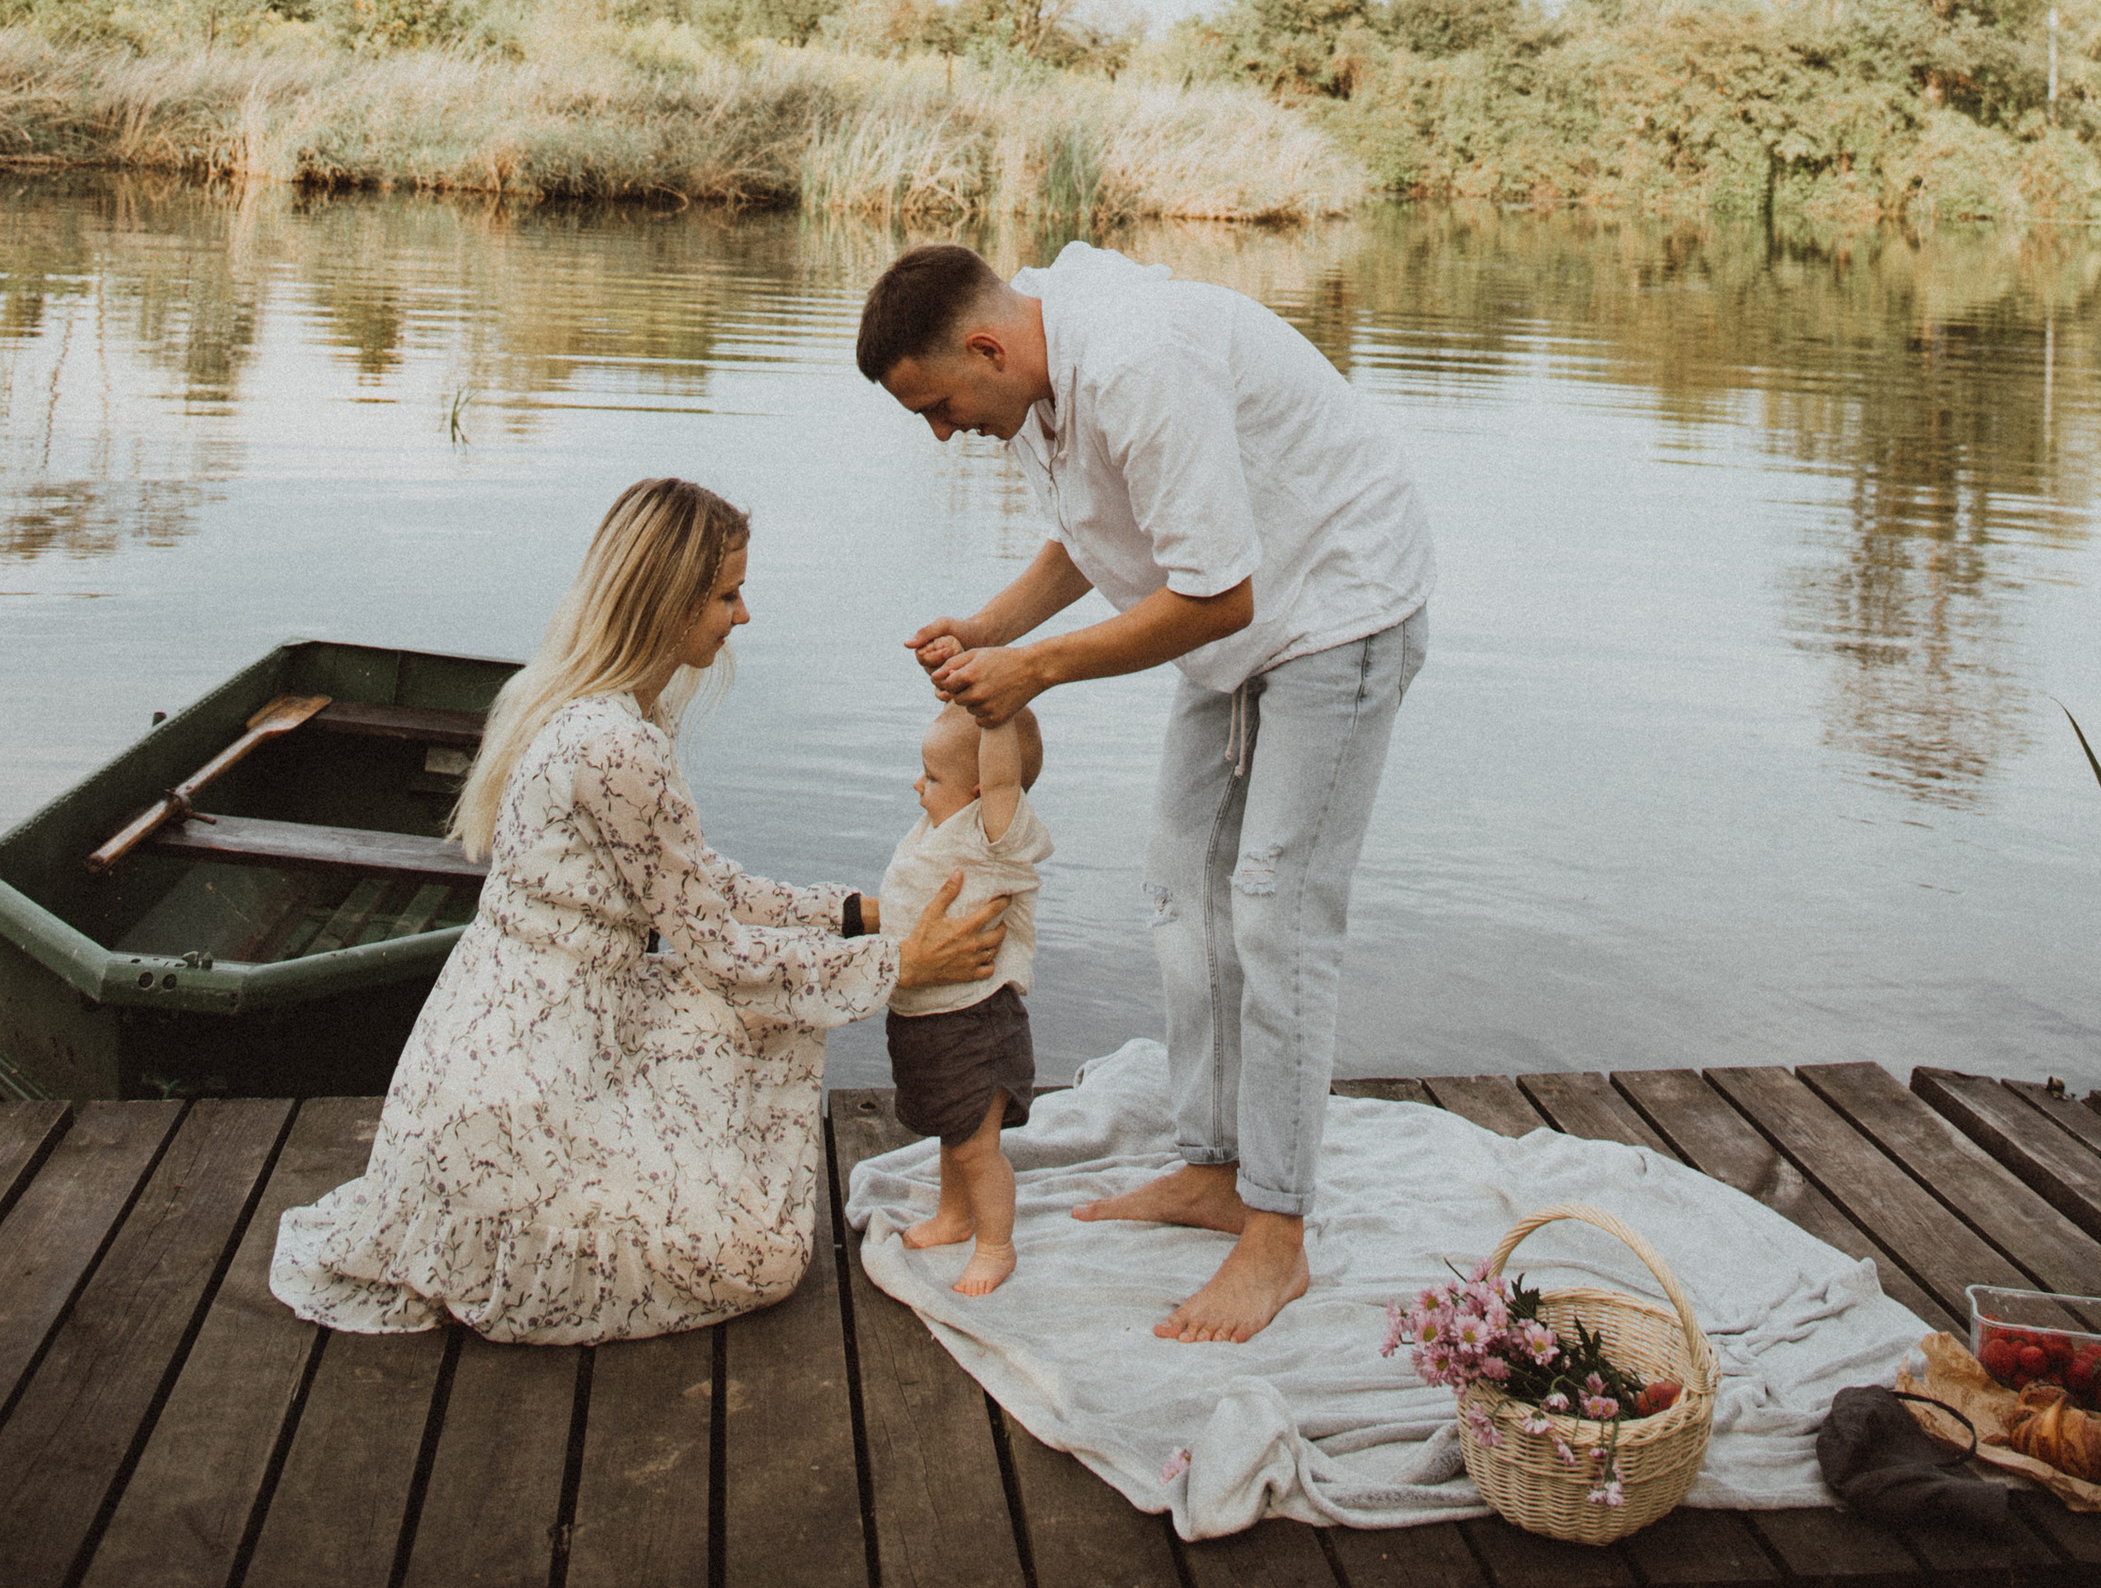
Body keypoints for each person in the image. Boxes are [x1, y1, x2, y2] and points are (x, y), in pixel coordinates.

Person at [270, 475, 1007, 1345]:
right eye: (727, 594)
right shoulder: (617, 745)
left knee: (734, 1027)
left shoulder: (585, 706)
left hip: (530, 1040)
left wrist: (857, 912)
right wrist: (900, 968)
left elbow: (700, 887)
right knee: (762, 1259)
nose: (742, 616)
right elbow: (723, 954)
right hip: (523, 1093)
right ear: (666, 601)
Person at [858, 237, 1434, 1345]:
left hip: (1336, 606)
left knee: (1274, 909)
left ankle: (1277, 1233)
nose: (941, 433)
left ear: (985, 344)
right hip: (1244, 621)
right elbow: (1093, 531)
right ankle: (1217, 1166)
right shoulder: (1033, 371)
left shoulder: (1136, 363)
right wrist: (991, 627)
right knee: (1179, 885)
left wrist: (1039, 668)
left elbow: (1215, 596)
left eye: (939, 405)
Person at [879, 697, 1050, 1293]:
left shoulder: (993, 834)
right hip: (925, 1018)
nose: (917, 785)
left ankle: (997, 1245)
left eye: (932, 777)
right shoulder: (940, 829)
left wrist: (995, 714)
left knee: (978, 1146)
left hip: (976, 1023)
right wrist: (966, 698)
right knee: (956, 1132)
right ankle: (954, 1216)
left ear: (979, 792)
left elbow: (1002, 776)